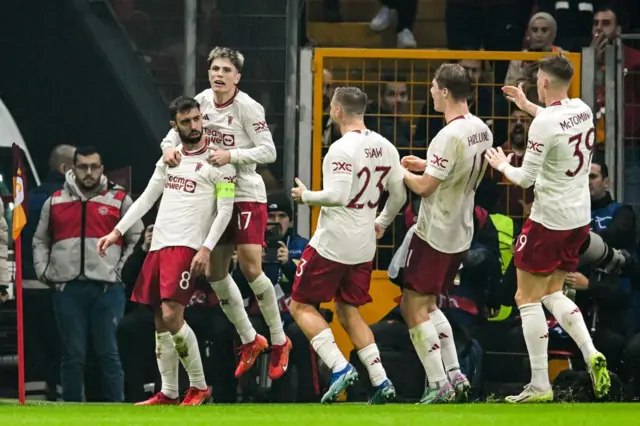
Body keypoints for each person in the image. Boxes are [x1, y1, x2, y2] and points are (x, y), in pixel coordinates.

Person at [160, 47, 291, 381]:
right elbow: (173, 134)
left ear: (237, 77)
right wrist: (169, 149)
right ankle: (251, 339)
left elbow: (270, 151)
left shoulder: (247, 107)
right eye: (214, 68)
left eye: (226, 70)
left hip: (246, 191)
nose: (218, 74)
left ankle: (279, 340)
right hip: (216, 192)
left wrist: (231, 155)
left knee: (249, 266)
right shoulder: (201, 102)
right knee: (217, 273)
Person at [485, 54, 610, 403]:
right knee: (553, 293)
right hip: (578, 219)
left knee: (526, 297)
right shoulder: (582, 110)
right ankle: (590, 353)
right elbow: (555, 125)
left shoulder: (546, 124)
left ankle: (540, 384)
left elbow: (526, 177)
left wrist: (501, 165)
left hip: (548, 220)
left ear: (543, 82)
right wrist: (526, 106)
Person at [98, 96, 235, 406]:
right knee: (160, 319)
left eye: (197, 119)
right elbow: (146, 199)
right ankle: (170, 391)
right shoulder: (169, 160)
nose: (194, 125)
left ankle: (199, 385)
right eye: (185, 121)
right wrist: (117, 231)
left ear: (203, 119)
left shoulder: (220, 163)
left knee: (173, 315)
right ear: (175, 126)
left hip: (187, 246)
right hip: (159, 244)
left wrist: (205, 248)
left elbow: (225, 211)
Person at [290, 86, 407, 404]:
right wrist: (381, 222)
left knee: (299, 305)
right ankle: (381, 380)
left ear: (338, 111)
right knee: (347, 309)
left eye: (331, 106)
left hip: (334, 242)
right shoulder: (386, 146)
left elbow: (338, 196)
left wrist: (307, 196)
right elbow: (400, 196)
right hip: (365, 243)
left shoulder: (341, 149)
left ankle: (340, 368)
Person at [399, 63, 492, 404]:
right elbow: (459, 170)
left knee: (412, 307)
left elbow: (424, 189)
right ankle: (455, 375)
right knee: (431, 305)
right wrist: (427, 164)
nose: (431, 93)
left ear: (445, 92)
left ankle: (439, 383)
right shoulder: (481, 129)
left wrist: (400, 171)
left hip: (435, 231)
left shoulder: (446, 135)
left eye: (434, 87)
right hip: (461, 231)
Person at [33, 145, 141, 402]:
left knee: (109, 354)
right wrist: (45, 273)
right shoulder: (55, 200)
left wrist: (120, 270)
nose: (89, 172)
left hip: (108, 289)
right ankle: (73, 412)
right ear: (73, 168)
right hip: (68, 289)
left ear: (101, 169)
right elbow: (40, 241)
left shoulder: (119, 199)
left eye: (94, 166)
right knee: (73, 355)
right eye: (83, 166)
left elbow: (136, 238)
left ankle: (116, 411)